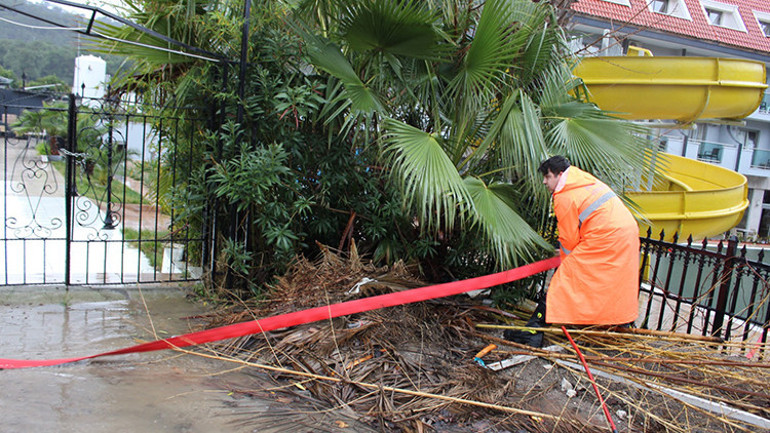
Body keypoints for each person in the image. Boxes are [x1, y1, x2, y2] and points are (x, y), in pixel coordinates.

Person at [505, 156, 640, 347]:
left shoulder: (564, 195)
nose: (544, 181)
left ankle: (533, 331)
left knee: (562, 282)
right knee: (612, 283)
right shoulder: (583, 180)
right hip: (625, 233)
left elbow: (568, 240)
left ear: (559, 175)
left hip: (605, 237)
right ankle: (622, 326)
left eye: (547, 176)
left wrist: (566, 266)